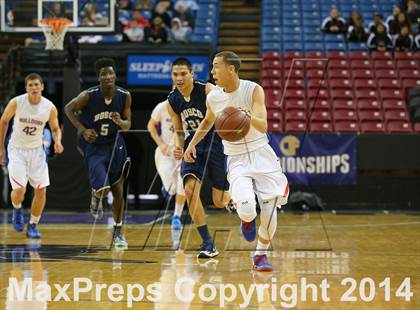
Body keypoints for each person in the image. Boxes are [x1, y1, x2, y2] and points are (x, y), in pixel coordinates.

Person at [184, 51, 289, 271]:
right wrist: (192, 144)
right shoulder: (213, 97)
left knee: (270, 214)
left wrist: (246, 116)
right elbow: (207, 122)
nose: (212, 71)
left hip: (262, 153)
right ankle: (246, 219)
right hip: (236, 157)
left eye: (216, 66)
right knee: (248, 208)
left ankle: (260, 256)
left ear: (230, 68)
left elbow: (264, 126)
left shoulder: (253, 90)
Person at [167, 57, 230, 258]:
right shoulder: (172, 100)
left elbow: (210, 121)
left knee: (219, 202)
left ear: (192, 73)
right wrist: (179, 146)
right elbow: (178, 131)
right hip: (192, 147)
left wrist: (190, 143)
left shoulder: (207, 90)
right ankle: (207, 242)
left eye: (183, 73)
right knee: (189, 190)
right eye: (175, 74)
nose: (179, 78)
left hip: (215, 142)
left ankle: (234, 198)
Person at [64, 58, 131, 249]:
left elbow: (128, 125)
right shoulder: (88, 96)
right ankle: (96, 194)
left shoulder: (124, 95)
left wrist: (121, 122)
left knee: (118, 187)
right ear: (99, 77)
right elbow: (68, 109)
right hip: (95, 146)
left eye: (111, 73)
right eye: (104, 74)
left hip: (115, 144)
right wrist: (83, 129)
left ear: (115, 75)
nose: (108, 76)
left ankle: (118, 233)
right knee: (104, 190)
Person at [0, 73, 64, 239]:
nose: (34, 88)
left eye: (36, 84)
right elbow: (3, 121)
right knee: (20, 190)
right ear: (26, 88)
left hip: (37, 151)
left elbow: (56, 128)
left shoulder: (49, 107)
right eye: (30, 85)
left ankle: (33, 225)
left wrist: (58, 141)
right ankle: (17, 207)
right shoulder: (17, 102)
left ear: (42, 86)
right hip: (17, 150)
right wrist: (1, 149)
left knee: (41, 190)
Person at [147, 99, 186, 230]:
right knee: (172, 188)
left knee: (183, 184)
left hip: (182, 152)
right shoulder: (162, 107)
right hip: (165, 152)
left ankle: (177, 216)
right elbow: (150, 125)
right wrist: (160, 143)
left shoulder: (189, 109)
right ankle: (167, 189)